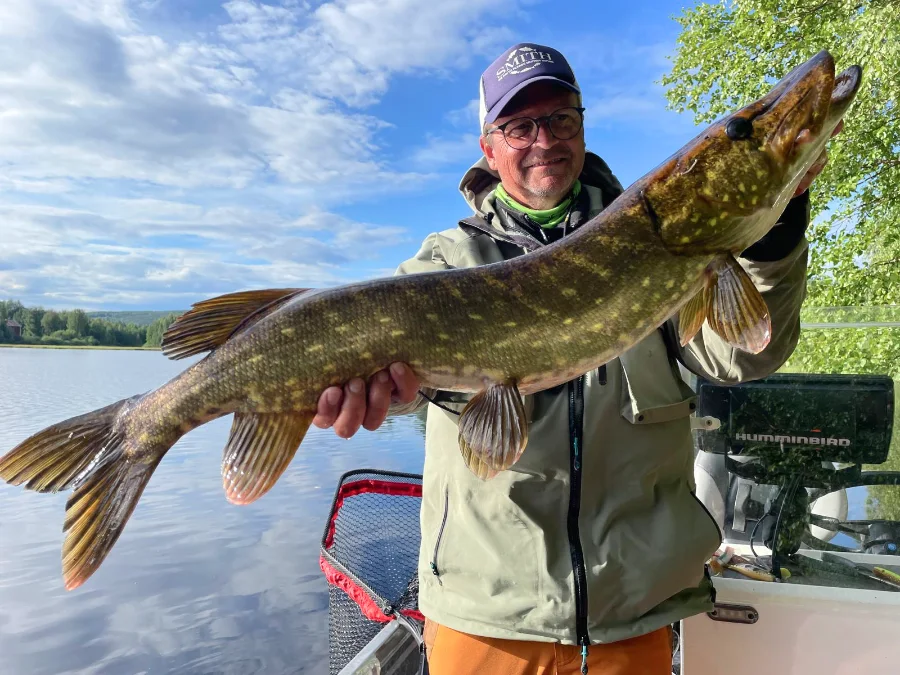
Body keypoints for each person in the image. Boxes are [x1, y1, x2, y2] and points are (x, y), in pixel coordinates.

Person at [311, 43, 834, 674]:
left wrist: (777, 228)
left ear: (582, 127)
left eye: (560, 119)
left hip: (631, 613)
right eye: (519, 126)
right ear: (489, 149)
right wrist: (371, 392)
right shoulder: (446, 262)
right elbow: (392, 377)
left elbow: (742, 357)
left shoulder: (658, 241)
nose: (544, 140)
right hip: (487, 619)